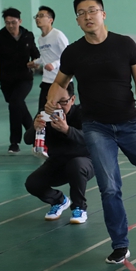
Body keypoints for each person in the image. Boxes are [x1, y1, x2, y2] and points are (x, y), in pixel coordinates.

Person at [45, 0, 136, 265]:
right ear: (77, 20)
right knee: (109, 188)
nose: (87, 16)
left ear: (103, 14)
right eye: (81, 13)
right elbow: (60, 82)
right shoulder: (73, 52)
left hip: (129, 123)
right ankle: (120, 244)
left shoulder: (124, 44)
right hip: (96, 128)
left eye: (92, 10)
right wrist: (51, 99)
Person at [24, 82, 94, 224]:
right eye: (53, 102)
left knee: (76, 165)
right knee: (32, 183)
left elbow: (91, 139)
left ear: (72, 99)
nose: (58, 107)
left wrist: (67, 130)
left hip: (85, 162)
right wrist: (35, 128)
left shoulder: (83, 112)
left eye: (63, 102)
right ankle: (59, 201)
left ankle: (79, 207)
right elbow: (27, 139)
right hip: (57, 162)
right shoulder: (44, 114)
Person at [0, 8, 40, 153]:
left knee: (15, 103)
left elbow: (35, 53)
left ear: (20, 21)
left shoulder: (28, 36)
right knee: (18, 106)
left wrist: (36, 62)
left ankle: (14, 142)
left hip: (25, 78)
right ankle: (35, 136)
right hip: (7, 81)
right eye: (7, 23)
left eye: (13, 22)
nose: (11, 26)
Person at [27, 6, 70, 113]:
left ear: (50, 20)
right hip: (47, 81)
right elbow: (45, 56)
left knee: (63, 114)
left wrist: (54, 65)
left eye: (41, 16)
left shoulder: (58, 35)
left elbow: (68, 56)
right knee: (43, 113)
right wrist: (35, 62)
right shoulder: (40, 39)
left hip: (62, 81)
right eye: (37, 16)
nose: (38, 18)